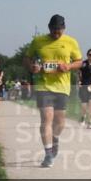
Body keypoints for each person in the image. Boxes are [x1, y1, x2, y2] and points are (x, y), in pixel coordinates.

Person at [24, 15, 83, 168]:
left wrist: (68, 66)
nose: (56, 33)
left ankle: (55, 138)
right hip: (43, 85)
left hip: (62, 86)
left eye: (59, 30)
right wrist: (32, 67)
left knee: (60, 121)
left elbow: (79, 62)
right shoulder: (38, 41)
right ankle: (48, 154)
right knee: (46, 119)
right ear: (49, 27)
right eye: (54, 30)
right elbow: (27, 58)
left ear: (64, 28)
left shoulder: (71, 42)